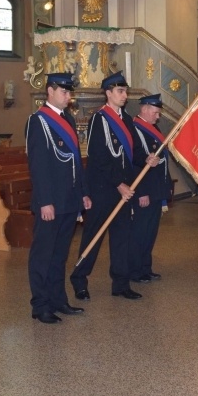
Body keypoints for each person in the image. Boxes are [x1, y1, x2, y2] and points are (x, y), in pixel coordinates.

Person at [25, 72, 91, 324]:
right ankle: (40, 304)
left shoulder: (69, 121)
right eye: (64, 91)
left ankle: (58, 299)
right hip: (50, 202)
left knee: (60, 254)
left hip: (69, 199)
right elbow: (38, 165)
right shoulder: (38, 121)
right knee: (43, 254)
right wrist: (44, 201)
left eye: (69, 91)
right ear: (50, 91)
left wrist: (83, 193)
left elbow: (76, 160)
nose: (68, 96)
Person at [70, 71, 141, 301]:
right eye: (120, 91)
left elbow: (133, 153)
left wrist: (146, 159)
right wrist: (119, 183)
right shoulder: (99, 119)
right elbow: (98, 157)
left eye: (126, 91)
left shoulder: (127, 119)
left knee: (122, 236)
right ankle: (79, 279)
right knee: (94, 236)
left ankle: (120, 283)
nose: (125, 95)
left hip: (123, 189)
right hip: (103, 189)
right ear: (108, 93)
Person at [130, 94, 167, 283]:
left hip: (155, 189)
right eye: (155, 112)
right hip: (143, 190)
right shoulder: (134, 129)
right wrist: (141, 192)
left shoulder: (154, 128)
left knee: (150, 232)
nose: (157, 116)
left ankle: (146, 267)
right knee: (140, 232)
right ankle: (135, 270)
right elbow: (134, 162)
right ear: (144, 109)